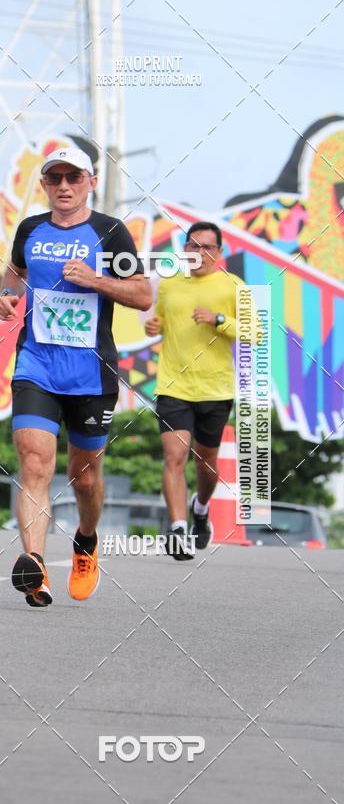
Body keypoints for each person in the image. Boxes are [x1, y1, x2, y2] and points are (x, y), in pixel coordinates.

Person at [0, 146, 152, 607]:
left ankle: (85, 542)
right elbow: (14, 275)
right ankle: (35, 565)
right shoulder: (30, 229)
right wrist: (6, 297)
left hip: (91, 373)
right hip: (36, 365)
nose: (64, 186)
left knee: (83, 478)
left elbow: (142, 295)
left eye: (74, 177)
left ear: (91, 181)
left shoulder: (109, 232)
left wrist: (96, 280)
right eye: (55, 178)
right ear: (44, 185)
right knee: (34, 463)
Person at [144, 221, 259, 559]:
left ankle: (201, 507)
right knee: (174, 457)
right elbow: (163, 321)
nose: (200, 253)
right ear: (184, 250)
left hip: (215, 389)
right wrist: (155, 325)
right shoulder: (169, 286)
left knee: (206, 465)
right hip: (173, 385)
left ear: (219, 252)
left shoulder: (233, 286)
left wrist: (219, 319)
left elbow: (256, 333)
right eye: (193, 246)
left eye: (208, 247)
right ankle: (178, 529)